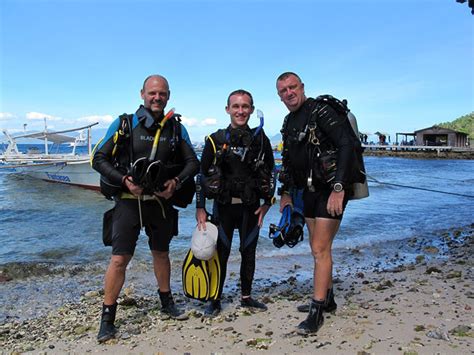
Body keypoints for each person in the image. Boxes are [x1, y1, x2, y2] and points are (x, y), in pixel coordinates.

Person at [92, 74, 199, 342]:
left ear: (168, 96)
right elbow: (98, 158)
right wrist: (124, 181)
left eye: (162, 93)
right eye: (152, 93)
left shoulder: (175, 128)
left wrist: (175, 182)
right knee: (119, 259)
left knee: (161, 254)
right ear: (142, 94)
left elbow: (192, 163)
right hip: (129, 202)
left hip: (160, 202)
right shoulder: (125, 123)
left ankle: (166, 303)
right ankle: (107, 318)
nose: (156, 97)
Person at [276, 72, 359, 335]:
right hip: (307, 191)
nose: (289, 93)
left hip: (330, 190)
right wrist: (285, 193)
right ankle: (329, 299)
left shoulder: (321, 111)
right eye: (283, 91)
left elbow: (348, 144)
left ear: (302, 87)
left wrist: (339, 188)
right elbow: (287, 161)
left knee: (319, 248)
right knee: (318, 247)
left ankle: (316, 312)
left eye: (292, 87)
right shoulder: (289, 121)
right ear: (279, 96)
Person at [195, 89, 275, 316]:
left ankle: (246, 297)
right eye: (236, 106)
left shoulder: (260, 139)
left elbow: (271, 172)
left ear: (251, 109)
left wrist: (268, 202)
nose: (241, 111)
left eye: (245, 106)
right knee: (221, 252)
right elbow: (201, 176)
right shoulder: (215, 140)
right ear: (227, 109)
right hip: (224, 206)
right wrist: (200, 207)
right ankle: (214, 298)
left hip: (251, 207)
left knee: (248, 251)